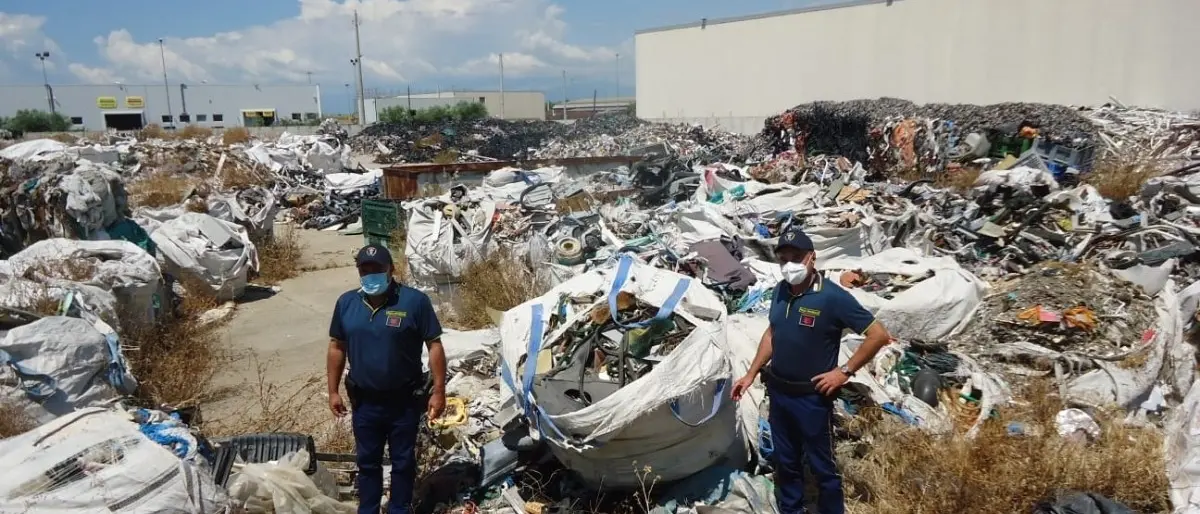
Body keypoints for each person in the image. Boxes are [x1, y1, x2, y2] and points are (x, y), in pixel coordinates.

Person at [730, 227, 890, 514]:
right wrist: (751, 373)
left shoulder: (832, 297)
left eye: (796, 257)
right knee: (786, 461)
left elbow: (878, 335)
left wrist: (844, 371)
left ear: (812, 258)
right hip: (779, 392)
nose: (789, 265)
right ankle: (792, 509)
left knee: (823, 467)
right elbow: (772, 334)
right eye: (783, 259)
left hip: (812, 398)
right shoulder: (781, 290)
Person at [327, 244, 447, 514]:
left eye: (377, 269)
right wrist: (332, 391)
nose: (371, 275)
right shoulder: (346, 303)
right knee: (367, 462)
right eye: (364, 269)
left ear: (391, 269)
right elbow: (337, 347)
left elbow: (434, 346)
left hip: (403, 402)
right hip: (365, 403)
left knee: (403, 462)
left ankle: (399, 509)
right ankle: (368, 509)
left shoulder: (414, 302)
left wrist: (439, 391)